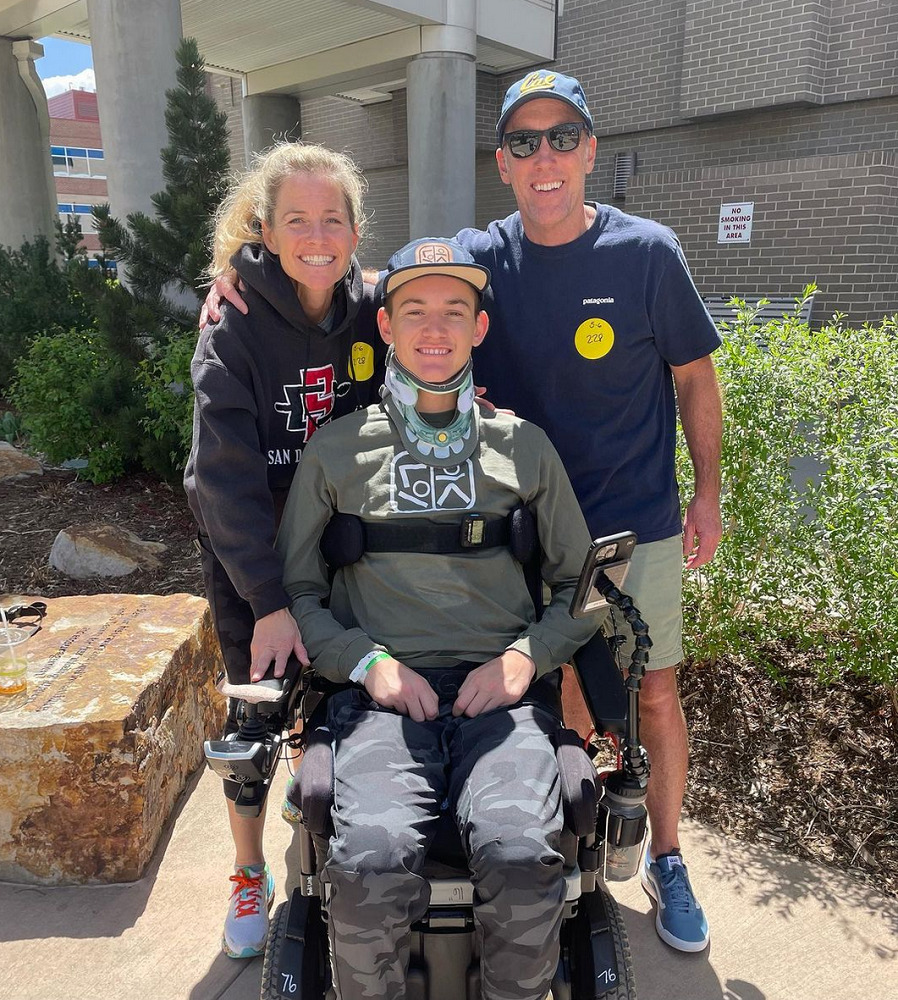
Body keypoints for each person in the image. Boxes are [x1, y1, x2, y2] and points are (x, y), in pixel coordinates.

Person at [202, 70, 723, 954]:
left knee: (640, 693)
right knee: (311, 753)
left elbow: (695, 380)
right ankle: (263, 870)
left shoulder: (644, 257)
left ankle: (661, 854)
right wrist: (249, 269)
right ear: (505, 160)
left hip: (619, 514)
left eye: (563, 138)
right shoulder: (467, 269)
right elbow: (390, 283)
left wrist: (708, 490)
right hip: (368, 554)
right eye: (524, 141)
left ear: (589, 151)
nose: (545, 156)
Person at [275, 237, 600, 1000]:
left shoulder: (524, 449)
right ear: (384, 326)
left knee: (524, 856)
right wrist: (365, 663)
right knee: (369, 860)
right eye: (413, 309)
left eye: (454, 310)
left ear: (479, 329)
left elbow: (583, 587)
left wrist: (526, 658)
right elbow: (297, 592)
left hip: (503, 698)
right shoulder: (338, 452)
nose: (434, 328)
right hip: (380, 702)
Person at [184, 141, 384, 959]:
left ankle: (318, 836)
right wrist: (269, 601)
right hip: (254, 556)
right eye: (296, 219)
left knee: (334, 697)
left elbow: (439, 318)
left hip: (341, 545)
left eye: (332, 219)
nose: (316, 235)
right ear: (264, 230)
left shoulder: (372, 307)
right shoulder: (231, 322)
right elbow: (217, 477)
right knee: (256, 714)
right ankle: (246, 870)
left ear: (355, 231)